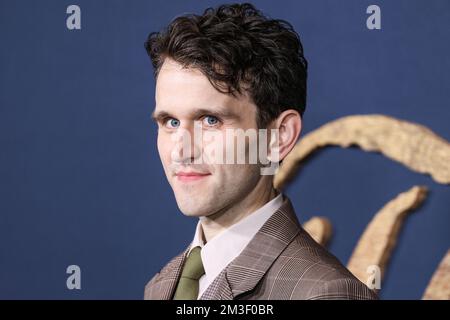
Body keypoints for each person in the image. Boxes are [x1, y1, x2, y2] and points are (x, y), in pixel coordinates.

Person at [143, 3, 378, 300]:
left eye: (210, 120)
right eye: (170, 121)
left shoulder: (325, 294)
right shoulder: (161, 286)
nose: (181, 150)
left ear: (278, 136)